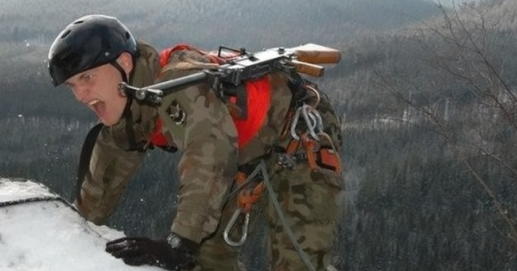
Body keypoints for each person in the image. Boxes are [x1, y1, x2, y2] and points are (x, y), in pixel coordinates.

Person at [48, 14, 344, 271]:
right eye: (73, 85)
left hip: (298, 136)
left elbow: (211, 152)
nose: (81, 95)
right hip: (243, 154)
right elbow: (104, 176)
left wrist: (178, 244)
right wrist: (76, 231)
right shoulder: (129, 103)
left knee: (297, 262)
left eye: (87, 77)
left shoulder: (181, 87)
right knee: (207, 259)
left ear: (124, 63)